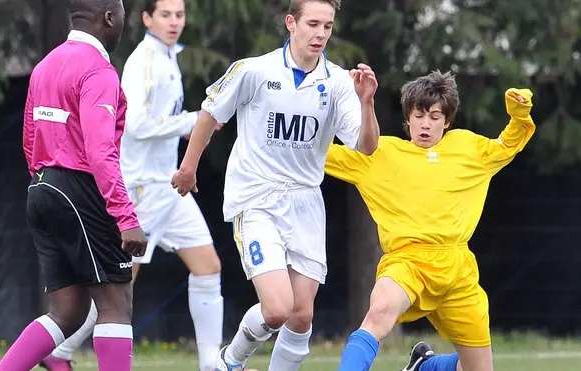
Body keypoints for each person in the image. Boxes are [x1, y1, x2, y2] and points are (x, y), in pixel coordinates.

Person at [170, 0, 380, 369]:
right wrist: (188, 169)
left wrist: (367, 103)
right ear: (290, 23)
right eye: (313, 24)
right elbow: (210, 112)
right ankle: (229, 361)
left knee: (301, 316)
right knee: (278, 308)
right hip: (257, 198)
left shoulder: (338, 84)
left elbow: (366, 146)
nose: (320, 34)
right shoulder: (254, 70)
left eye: (328, 26)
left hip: (306, 203)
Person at [40, 1, 225, 370]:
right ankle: (58, 350)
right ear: (146, 19)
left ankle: (211, 363)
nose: (174, 22)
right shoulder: (144, 61)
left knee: (208, 267)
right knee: (116, 290)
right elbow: (137, 125)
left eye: (180, 15)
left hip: (168, 186)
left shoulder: (169, 56)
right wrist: (192, 122)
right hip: (142, 189)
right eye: (166, 15)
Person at [325, 71, 535, 371]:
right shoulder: (379, 153)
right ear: (407, 118)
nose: (426, 124)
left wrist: (519, 114)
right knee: (379, 312)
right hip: (407, 263)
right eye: (419, 115)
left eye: (435, 116)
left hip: (457, 271)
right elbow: (315, 152)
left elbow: (508, 145)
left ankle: (426, 365)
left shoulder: (468, 148)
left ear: (447, 121)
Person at [0, 0, 148, 370]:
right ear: (110, 18)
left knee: (69, 311)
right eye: (123, 16)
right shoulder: (99, 71)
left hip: (42, 187)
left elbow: (31, 137)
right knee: (115, 304)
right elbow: (100, 151)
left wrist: (48, 185)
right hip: (78, 187)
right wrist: (125, 217)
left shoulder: (45, 65)